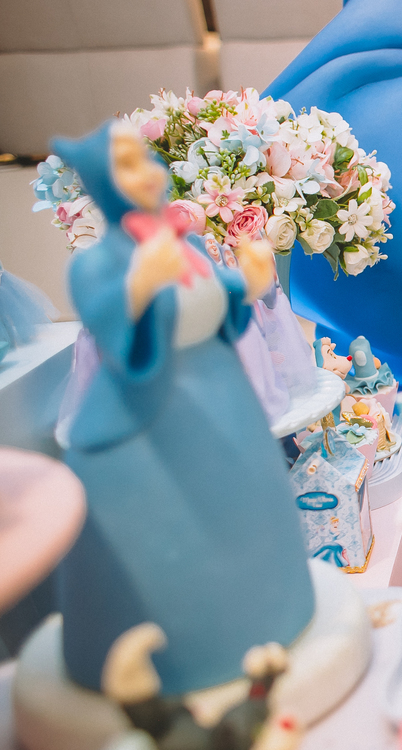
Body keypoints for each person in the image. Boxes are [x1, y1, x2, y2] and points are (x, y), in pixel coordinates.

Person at [52, 121, 315, 695]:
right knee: (173, 536)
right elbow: (108, 323)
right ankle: (189, 646)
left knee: (244, 506)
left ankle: (268, 610)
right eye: (128, 166)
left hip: (221, 403)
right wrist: (138, 289)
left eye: (147, 161)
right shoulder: (98, 264)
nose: (148, 174)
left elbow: (213, 298)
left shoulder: (185, 244)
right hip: (151, 419)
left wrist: (247, 283)